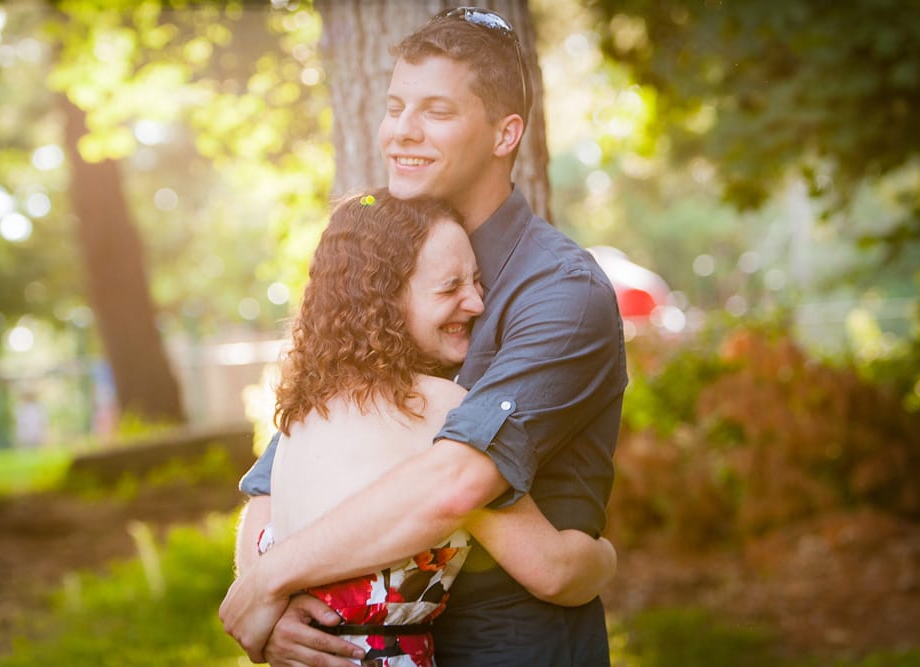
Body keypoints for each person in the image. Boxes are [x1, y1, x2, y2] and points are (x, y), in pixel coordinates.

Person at [220, 7, 627, 666]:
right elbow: (278, 474)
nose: (400, 132)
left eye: (435, 110)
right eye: (395, 105)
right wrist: (277, 611)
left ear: (505, 134)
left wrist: (269, 578)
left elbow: (455, 483)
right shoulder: (387, 268)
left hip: (513, 647)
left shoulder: (561, 291)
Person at [263, 188, 616, 666]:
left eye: (476, 280)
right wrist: (604, 557)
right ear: (383, 301)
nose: (475, 303)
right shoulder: (434, 410)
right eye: (450, 288)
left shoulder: (304, 413)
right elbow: (552, 571)